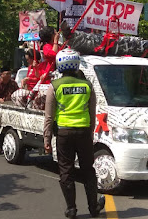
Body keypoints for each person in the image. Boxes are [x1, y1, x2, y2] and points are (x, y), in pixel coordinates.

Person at [43, 49, 105, 219]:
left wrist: (46, 138)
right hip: (84, 132)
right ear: (76, 64)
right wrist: (91, 134)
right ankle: (93, 208)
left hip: (63, 133)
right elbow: (92, 113)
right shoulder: (87, 85)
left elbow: (49, 116)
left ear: (60, 65)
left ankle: (71, 209)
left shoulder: (54, 86)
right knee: (88, 170)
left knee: (66, 170)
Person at [0, 66, 19, 154]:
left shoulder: (13, 83)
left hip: (10, 106)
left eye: (9, 74)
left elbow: (18, 92)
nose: (8, 75)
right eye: (6, 74)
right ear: (1, 75)